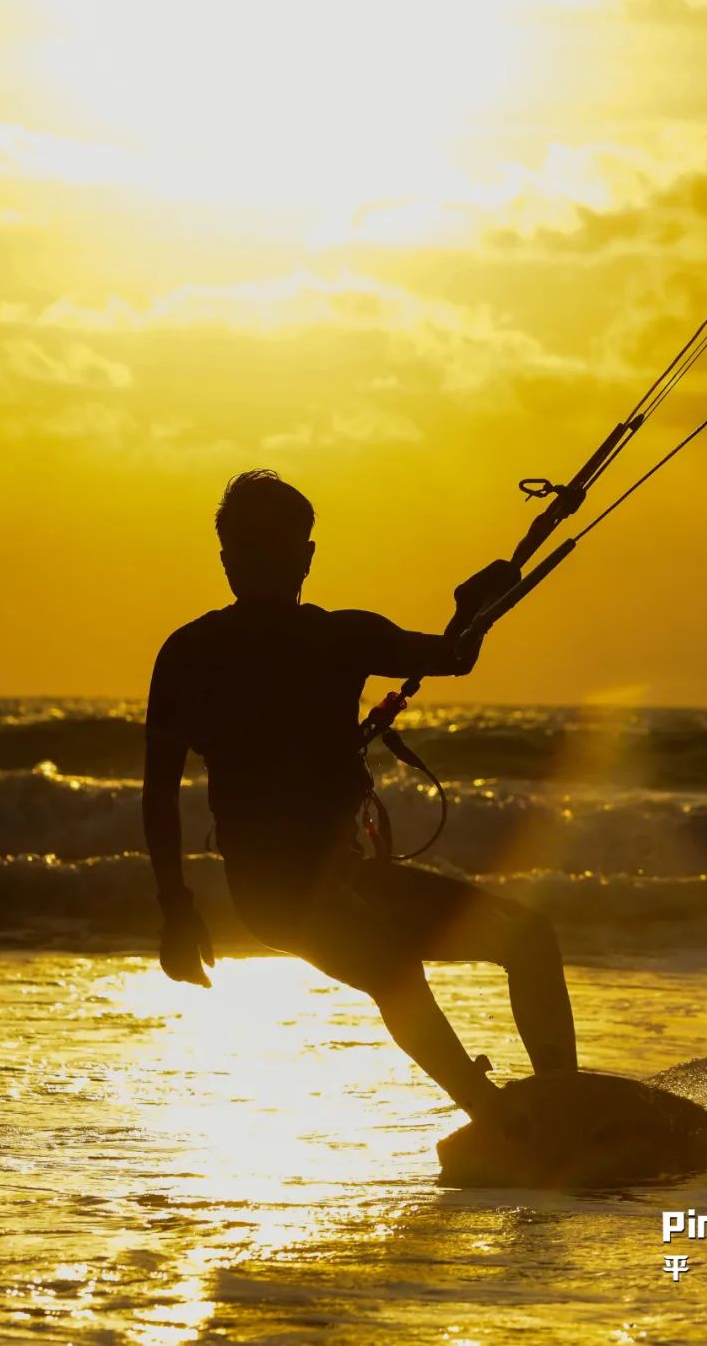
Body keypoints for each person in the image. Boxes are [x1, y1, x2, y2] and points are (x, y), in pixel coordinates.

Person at [142, 470, 577, 1126]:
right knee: (393, 966)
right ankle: (495, 1118)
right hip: (273, 893)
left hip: (349, 876)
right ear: (228, 560)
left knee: (530, 936)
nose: (265, 565)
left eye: (280, 550)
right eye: (251, 551)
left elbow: (453, 655)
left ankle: (566, 1106)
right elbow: (158, 791)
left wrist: (473, 607)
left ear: (307, 556)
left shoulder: (338, 637)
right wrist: (176, 910)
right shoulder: (190, 655)